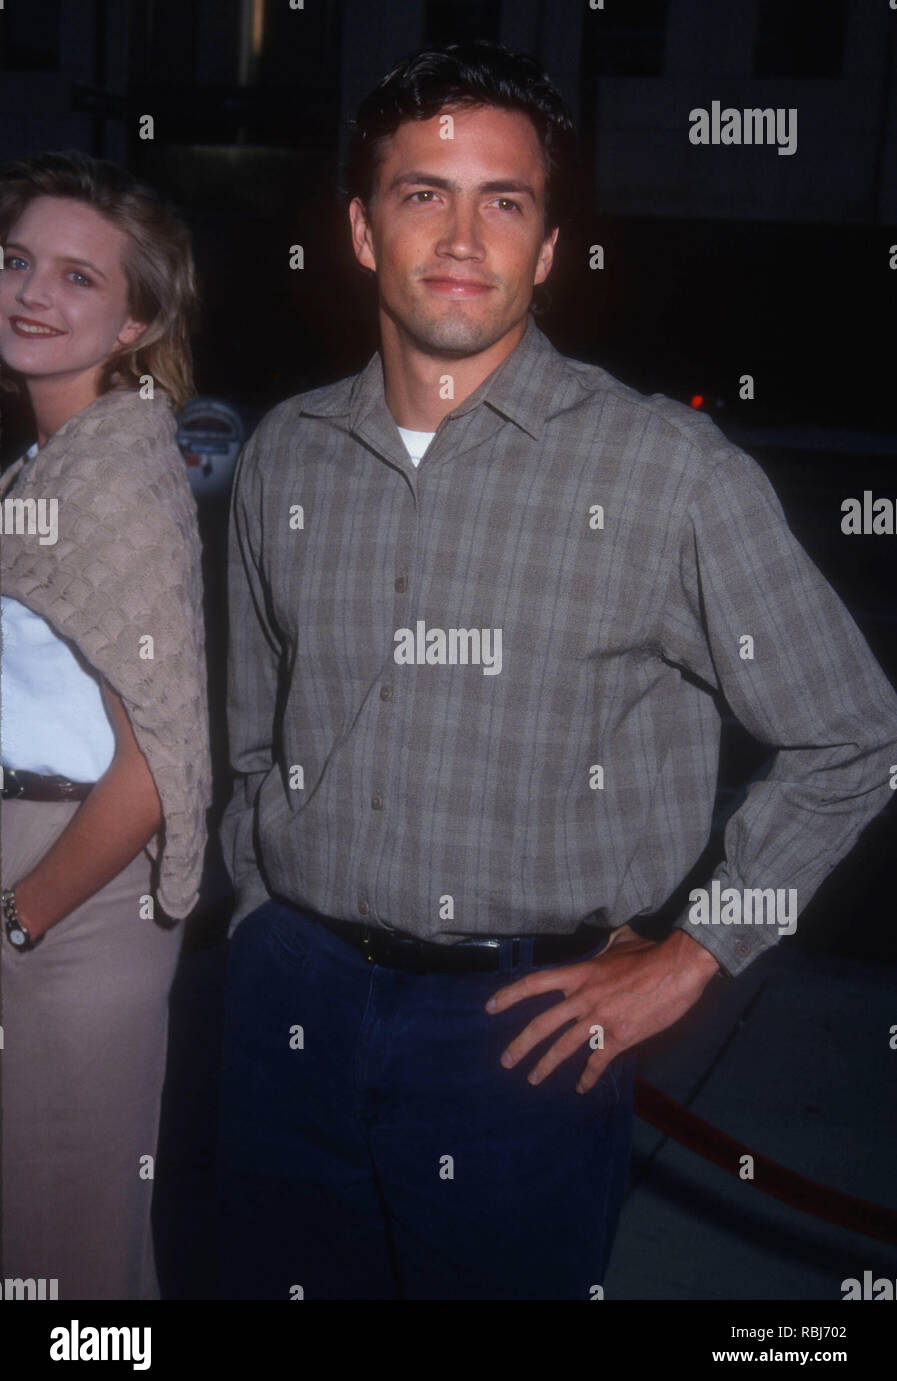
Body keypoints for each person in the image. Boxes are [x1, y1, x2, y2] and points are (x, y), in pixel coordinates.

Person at [217, 41, 897, 1300]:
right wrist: (260, 918)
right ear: (363, 231)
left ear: (548, 245)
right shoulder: (284, 458)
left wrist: (700, 950)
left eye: (506, 200)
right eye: (425, 192)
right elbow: (255, 738)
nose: (464, 234)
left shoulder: (667, 474)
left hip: (519, 1041)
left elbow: (856, 735)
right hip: (286, 1008)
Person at [0, 151, 212, 1300]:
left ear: (136, 319)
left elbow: (156, 769)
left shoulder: (116, 477)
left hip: (77, 892)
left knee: (70, 1263)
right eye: (18, 260)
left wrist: (21, 917)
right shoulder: (56, 457)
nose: (34, 293)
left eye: (80, 278)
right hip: (37, 865)